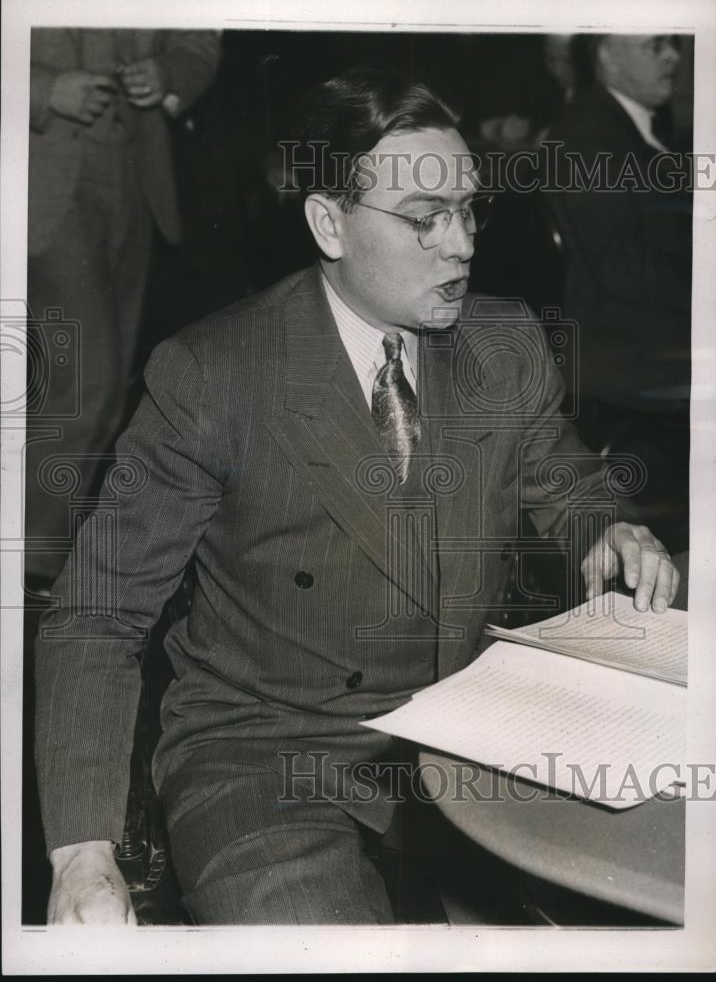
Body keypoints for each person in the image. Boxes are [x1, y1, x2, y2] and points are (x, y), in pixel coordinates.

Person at [34, 66, 680, 926]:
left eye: (469, 210)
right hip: (265, 752)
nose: (462, 246)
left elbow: (559, 468)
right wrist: (82, 855)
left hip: (461, 735)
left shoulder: (503, 341)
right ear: (329, 224)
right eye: (423, 220)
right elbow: (99, 612)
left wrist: (609, 528)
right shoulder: (214, 375)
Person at [26, 28, 221, 590]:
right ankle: (31, 563)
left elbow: (200, 38)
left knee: (104, 391)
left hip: (135, 177)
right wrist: (45, 87)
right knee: (89, 383)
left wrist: (168, 73)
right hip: (35, 176)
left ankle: (43, 552)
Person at [543, 34, 692, 547]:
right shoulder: (588, 133)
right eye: (657, 45)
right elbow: (620, 265)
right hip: (630, 366)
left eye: (674, 43)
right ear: (607, 52)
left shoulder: (637, 127)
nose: (674, 55)